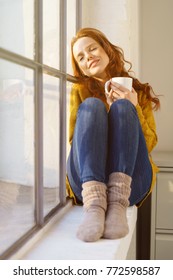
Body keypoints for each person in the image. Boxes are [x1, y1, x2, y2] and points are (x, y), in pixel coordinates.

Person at [66, 27, 160, 242]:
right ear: (80, 67)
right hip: (88, 181)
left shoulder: (139, 90)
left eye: (92, 49)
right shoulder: (79, 90)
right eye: (80, 57)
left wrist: (133, 107)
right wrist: (104, 113)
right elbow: (76, 142)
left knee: (123, 108)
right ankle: (94, 206)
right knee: (92, 106)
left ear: (107, 50)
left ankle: (117, 204)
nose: (88, 57)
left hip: (130, 185)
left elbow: (149, 144)